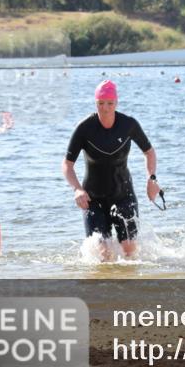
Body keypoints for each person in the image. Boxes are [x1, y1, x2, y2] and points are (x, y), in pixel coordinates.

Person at [62, 80, 161, 261]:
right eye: (100, 103)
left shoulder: (128, 124)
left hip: (123, 194)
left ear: (116, 103)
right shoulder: (84, 128)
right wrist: (77, 189)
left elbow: (149, 152)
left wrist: (152, 179)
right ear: (95, 103)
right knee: (104, 254)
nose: (105, 108)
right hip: (93, 198)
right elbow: (67, 165)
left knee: (131, 252)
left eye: (109, 103)